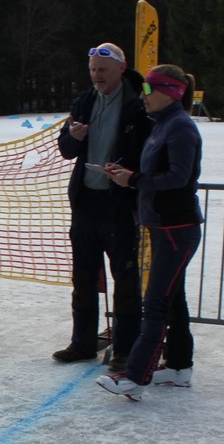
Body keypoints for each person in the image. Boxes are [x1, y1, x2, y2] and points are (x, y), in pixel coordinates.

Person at [96, 64, 204, 401]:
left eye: (147, 89)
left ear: (170, 92)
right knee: (173, 300)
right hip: (161, 225)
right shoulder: (163, 124)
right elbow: (157, 172)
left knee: (155, 304)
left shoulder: (180, 127)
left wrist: (134, 179)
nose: (142, 96)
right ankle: (179, 367)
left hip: (176, 228)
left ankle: (135, 376)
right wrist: (127, 173)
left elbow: (178, 177)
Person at [53, 42, 152, 371]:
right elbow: (66, 149)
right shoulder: (84, 100)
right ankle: (82, 343)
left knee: (124, 277)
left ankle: (125, 348)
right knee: (83, 276)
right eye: (93, 70)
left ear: (121, 69)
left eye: (103, 70)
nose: (97, 76)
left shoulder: (139, 102)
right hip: (86, 202)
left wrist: (130, 174)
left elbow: (151, 150)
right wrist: (75, 138)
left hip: (120, 202)